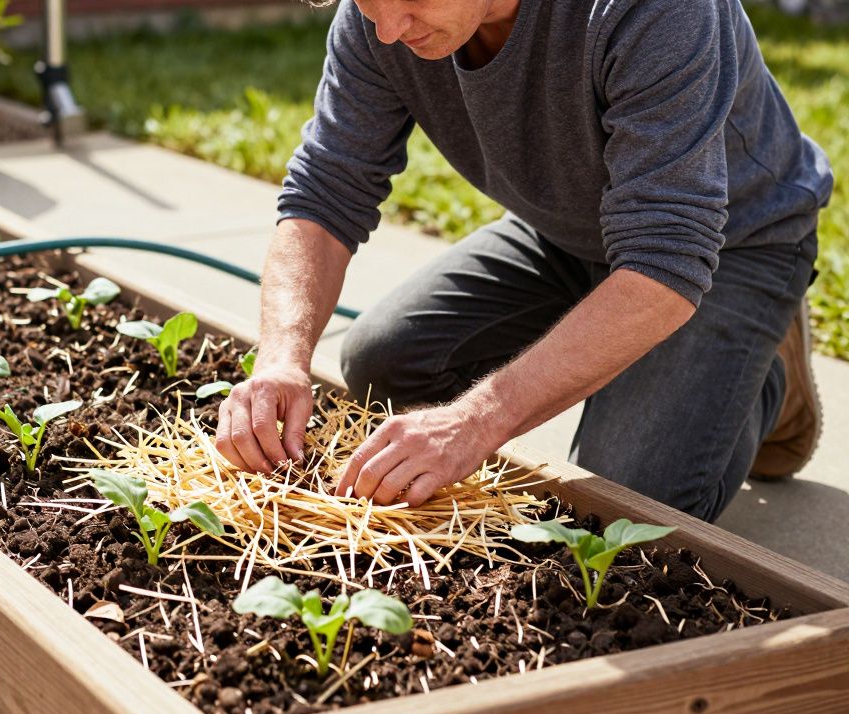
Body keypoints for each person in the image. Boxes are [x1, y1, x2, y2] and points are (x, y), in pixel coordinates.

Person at [213, 0, 831, 522]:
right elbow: (325, 191)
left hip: (732, 243)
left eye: (409, 0)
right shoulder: (377, 20)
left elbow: (667, 254)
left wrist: (474, 422)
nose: (390, 30)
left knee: (624, 503)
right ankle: (683, 352)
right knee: (384, 364)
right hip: (566, 233)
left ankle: (761, 372)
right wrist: (280, 359)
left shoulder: (657, 10)